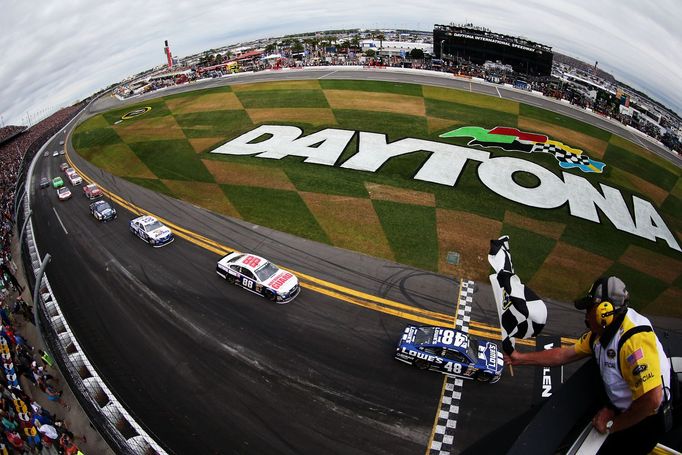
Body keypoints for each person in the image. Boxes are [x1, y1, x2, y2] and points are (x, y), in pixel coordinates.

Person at [505, 276, 672, 454]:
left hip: (644, 423)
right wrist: (520, 358)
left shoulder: (634, 342)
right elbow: (563, 355)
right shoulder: (599, 335)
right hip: (624, 408)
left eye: (589, 308)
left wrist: (613, 424)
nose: (585, 314)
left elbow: (652, 401)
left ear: (604, 311)